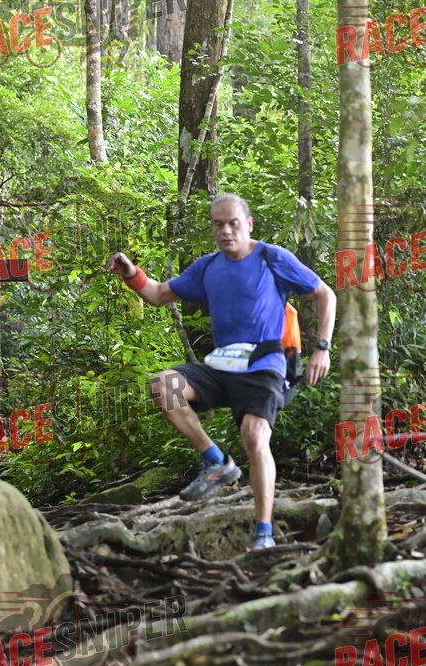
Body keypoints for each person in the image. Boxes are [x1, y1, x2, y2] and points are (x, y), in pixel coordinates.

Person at [107, 194, 336, 550]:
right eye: (219, 224)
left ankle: (263, 533)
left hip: (264, 364)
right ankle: (215, 461)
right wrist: (131, 273)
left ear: (249, 225)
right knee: (164, 385)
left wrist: (322, 347)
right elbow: (159, 294)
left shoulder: (271, 257)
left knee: (254, 438)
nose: (226, 231)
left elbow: (325, 294)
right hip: (223, 364)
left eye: (233, 223)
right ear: (212, 228)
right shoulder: (208, 267)